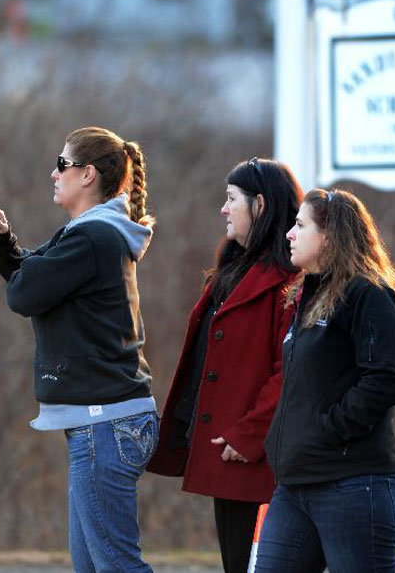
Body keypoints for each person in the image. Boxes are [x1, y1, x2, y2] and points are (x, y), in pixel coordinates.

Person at [0, 126, 157, 572]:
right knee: (93, 566)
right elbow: (36, 278)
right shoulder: (91, 233)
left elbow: (24, 294)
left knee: (115, 566)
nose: (53, 174)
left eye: (62, 165)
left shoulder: (91, 237)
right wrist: (5, 246)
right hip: (106, 423)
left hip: (105, 425)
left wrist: (13, 259)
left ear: (87, 175)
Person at [147, 157, 301, 573]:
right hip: (229, 453)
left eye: (231, 198)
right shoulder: (232, 271)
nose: (223, 208)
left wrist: (247, 435)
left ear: (261, 206)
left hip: (260, 457)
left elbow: (290, 371)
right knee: (236, 564)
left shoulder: (291, 281)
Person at [254, 188, 395, 573]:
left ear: (330, 236)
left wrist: (330, 430)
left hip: (354, 484)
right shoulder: (307, 296)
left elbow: (388, 379)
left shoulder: (367, 294)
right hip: (295, 485)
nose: (290, 233)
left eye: (300, 225)